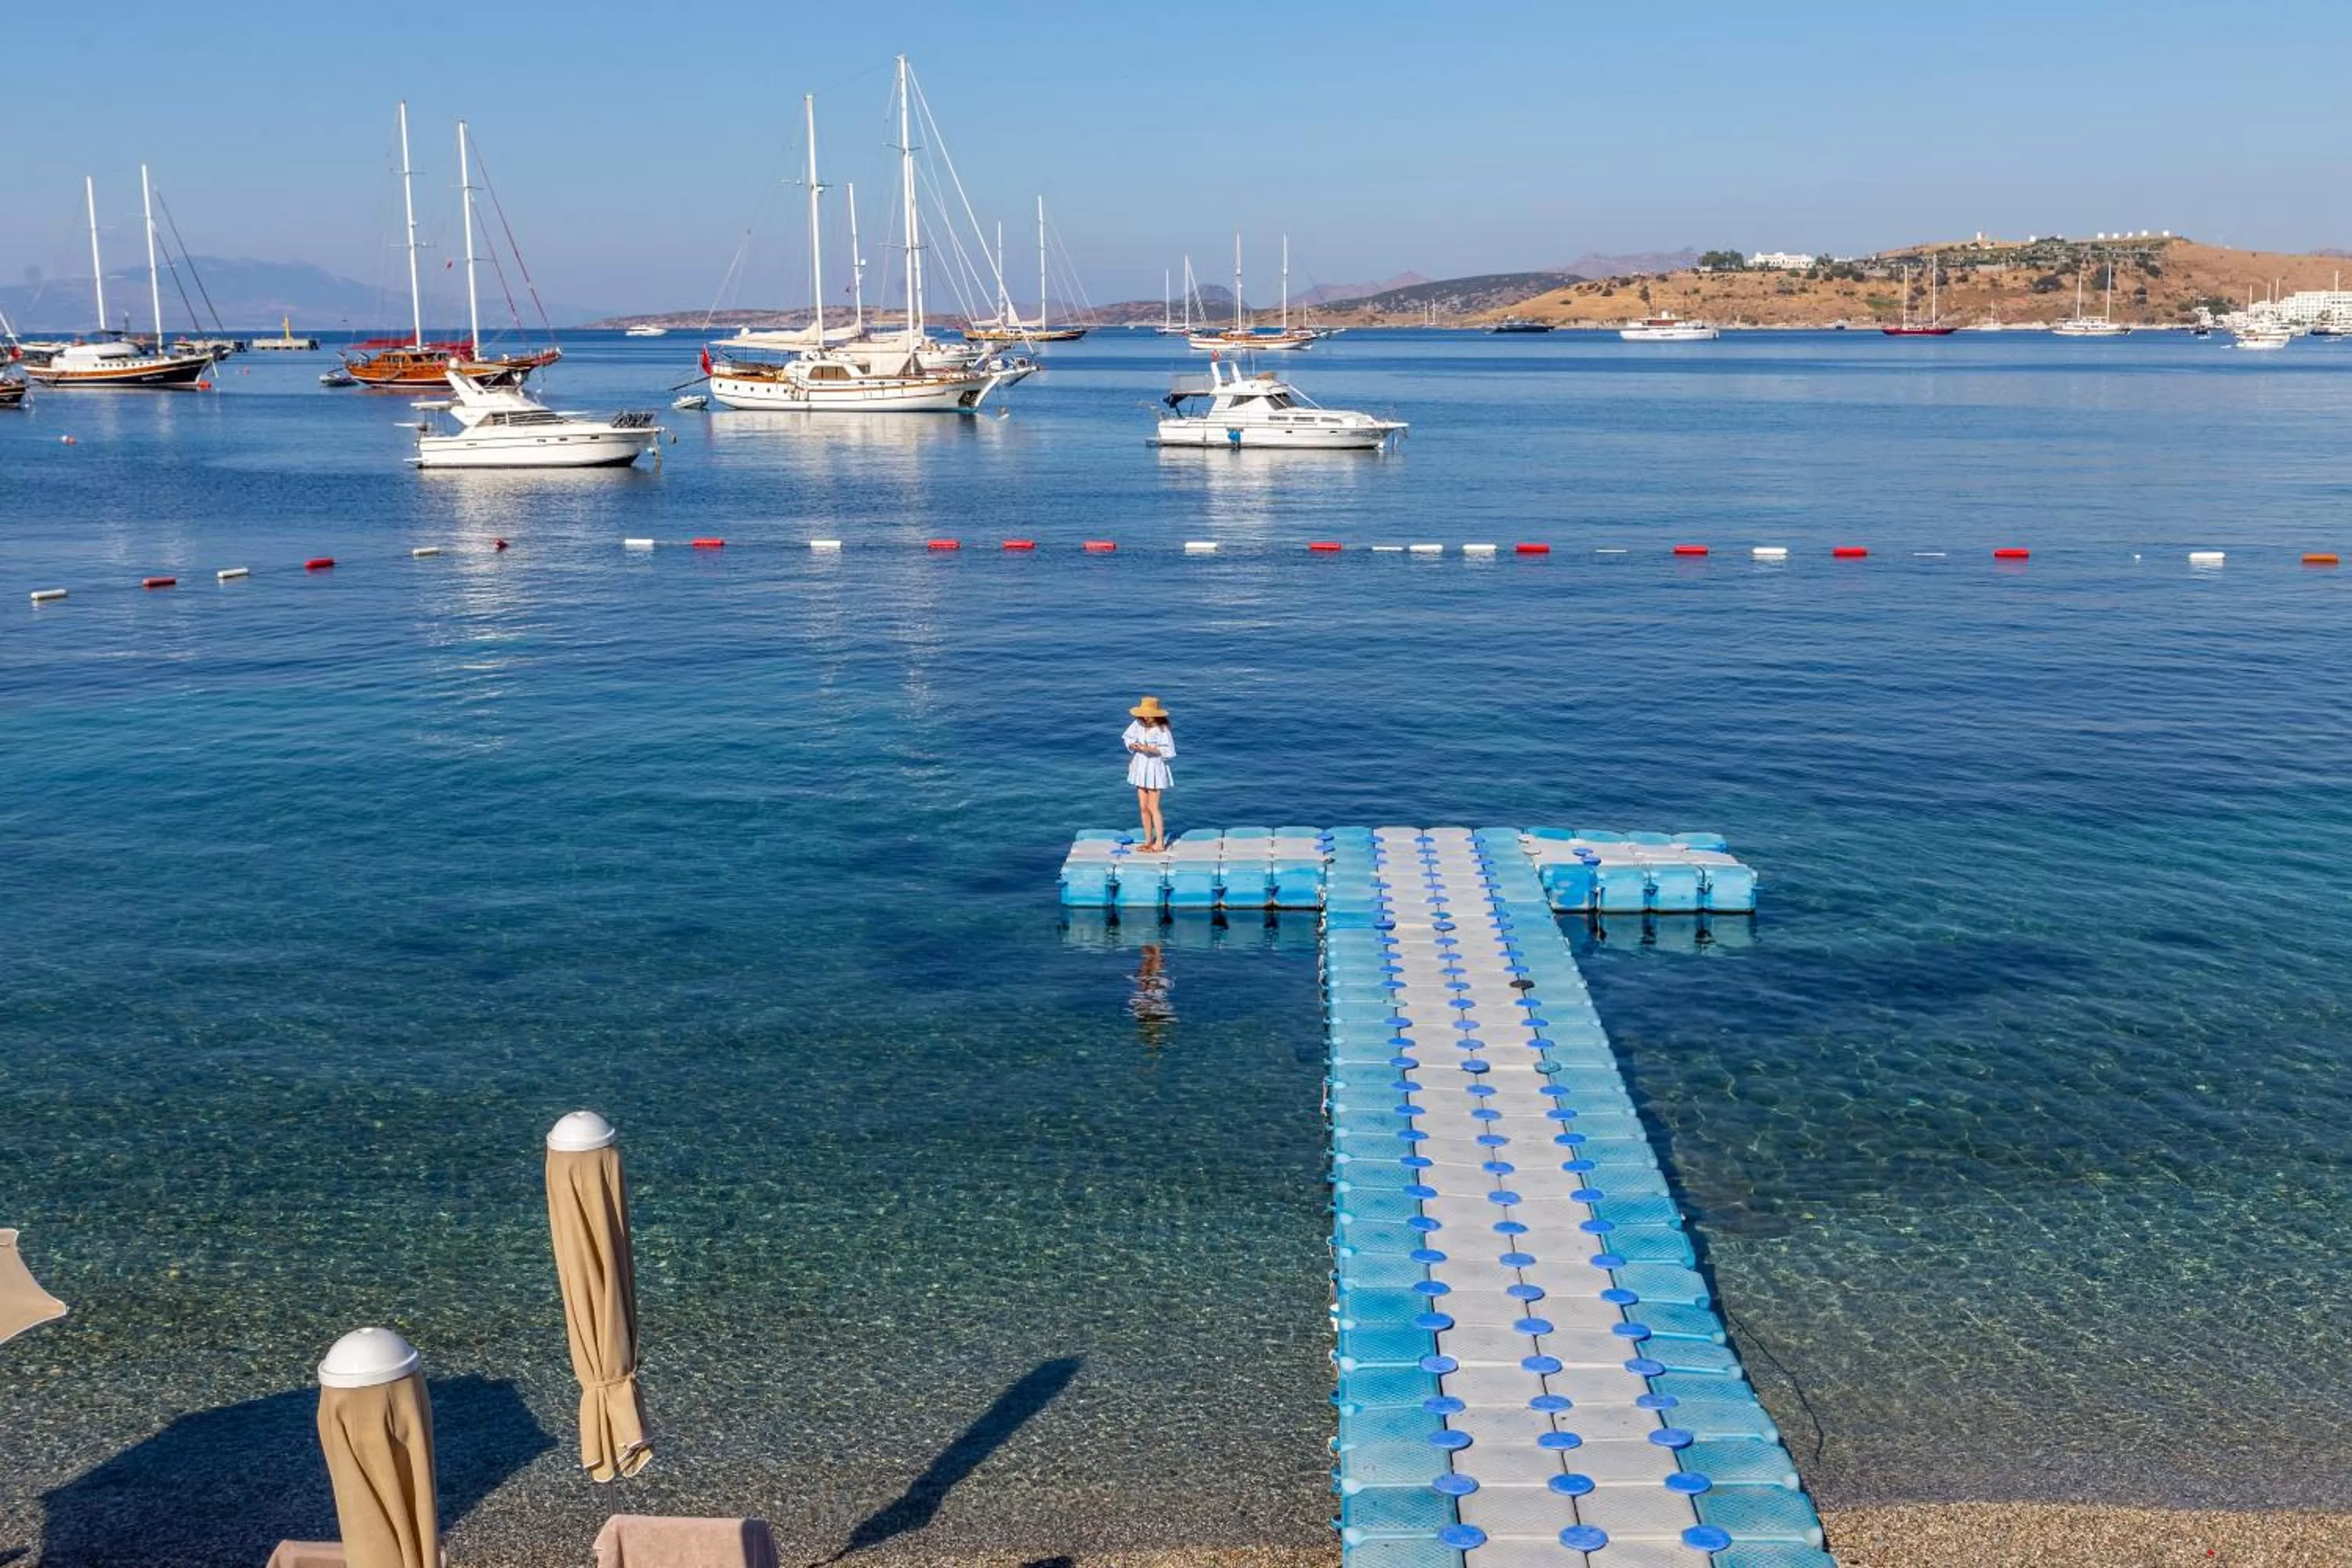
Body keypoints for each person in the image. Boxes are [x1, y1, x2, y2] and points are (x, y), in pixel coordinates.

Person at [1122, 695, 1175, 851]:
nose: (1146, 716)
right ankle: (1148, 840)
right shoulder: (1137, 724)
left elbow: (1169, 752)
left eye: (1149, 714)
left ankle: (1159, 843)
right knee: (1143, 807)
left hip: (1154, 768)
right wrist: (1133, 745)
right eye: (1144, 713)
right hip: (1140, 767)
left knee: (1153, 807)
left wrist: (1150, 749)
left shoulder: (1162, 730)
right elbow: (1127, 737)